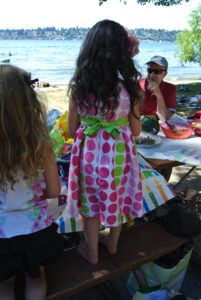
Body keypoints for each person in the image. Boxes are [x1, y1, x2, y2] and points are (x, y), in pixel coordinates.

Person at [67, 19, 144, 265]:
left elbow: (71, 129)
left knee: (90, 203)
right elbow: (136, 130)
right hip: (119, 154)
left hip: (89, 154)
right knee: (116, 197)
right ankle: (111, 244)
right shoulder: (129, 88)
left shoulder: (79, 88)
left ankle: (91, 252)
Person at [0, 64, 64, 300]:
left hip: (2, 236)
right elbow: (55, 191)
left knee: (5, 285)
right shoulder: (41, 142)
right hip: (36, 233)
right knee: (36, 278)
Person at [140, 55, 176, 120]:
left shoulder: (170, 89)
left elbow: (165, 117)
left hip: (159, 127)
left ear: (165, 74)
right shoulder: (137, 85)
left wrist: (159, 95)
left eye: (157, 71)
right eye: (149, 70)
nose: (152, 75)